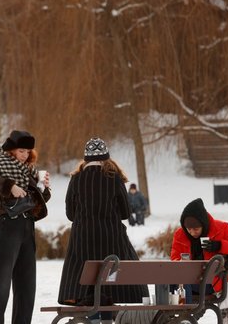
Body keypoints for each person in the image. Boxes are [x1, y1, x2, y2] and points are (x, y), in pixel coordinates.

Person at [58, 137, 149, 323]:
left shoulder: (76, 179)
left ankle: (92, 318)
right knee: (113, 280)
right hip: (112, 238)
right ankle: (108, 318)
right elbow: (125, 212)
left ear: (86, 159)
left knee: (87, 278)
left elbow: (70, 214)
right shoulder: (113, 178)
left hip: (82, 240)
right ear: (106, 158)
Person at [0, 130, 51, 324]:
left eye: (28, 151)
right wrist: (9, 186)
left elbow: (38, 201)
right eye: (21, 151)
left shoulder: (28, 169)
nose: (25, 155)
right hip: (8, 224)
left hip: (27, 225)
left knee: (27, 283)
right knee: (1, 279)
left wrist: (44, 188)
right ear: (11, 149)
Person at [170, 198, 228, 324]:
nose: (192, 233)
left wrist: (220, 245)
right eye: (188, 229)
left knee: (181, 284)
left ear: (203, 223)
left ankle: (187, 316)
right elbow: (174, 257)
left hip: (213, 284)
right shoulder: (180, 235)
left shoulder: (221, 229)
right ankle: (184, 316)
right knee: (176, 282)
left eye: (196, 229)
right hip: (189, 284)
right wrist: (179, 261)